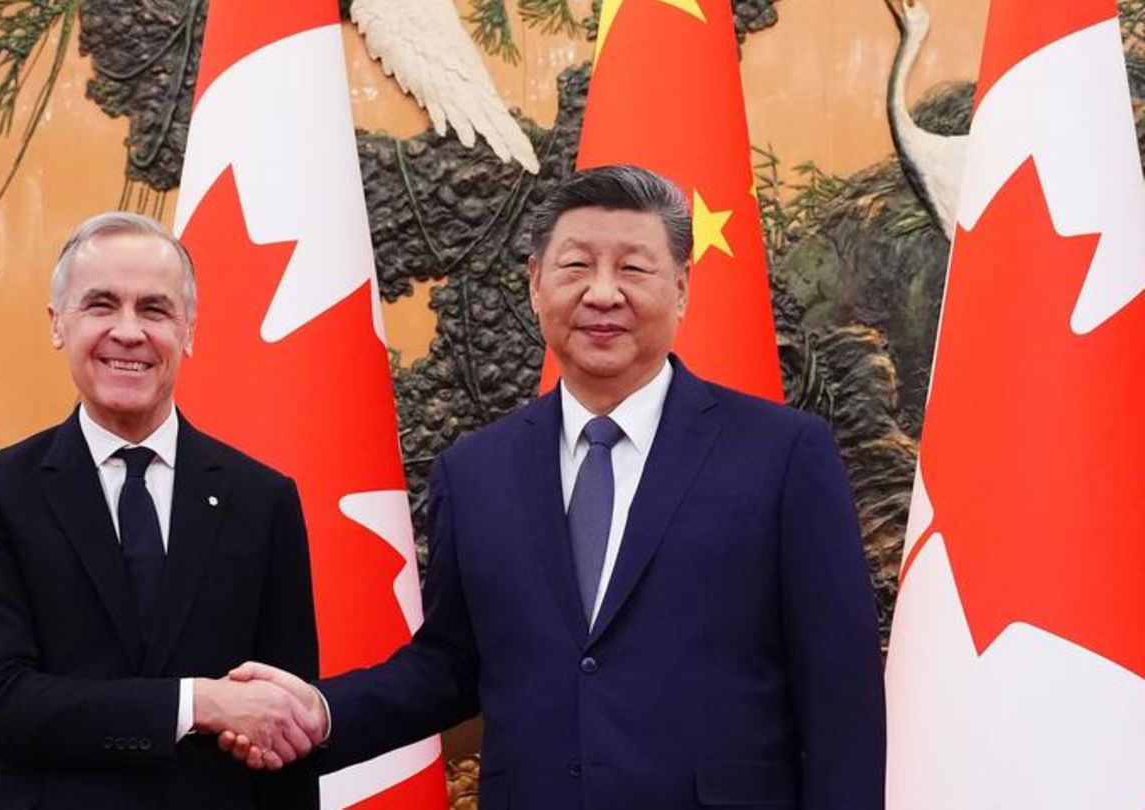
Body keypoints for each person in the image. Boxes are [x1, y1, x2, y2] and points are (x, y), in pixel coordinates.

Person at [224, 166, 886, 808]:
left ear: (682, 288)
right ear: (537, 284)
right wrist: (319, 710)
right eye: (576, 266)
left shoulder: (783, 454)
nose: (603, 293)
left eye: (633, 267)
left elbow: (839, 691)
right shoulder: (476, 471)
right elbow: (454, 664)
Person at [0, 212, 323, 809]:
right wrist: (200, 703)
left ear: (189, 330)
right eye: (101, 305)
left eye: (155, 309)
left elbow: (279, 723)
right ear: (58, 324)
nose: (128, 331)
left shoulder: (262, 499)